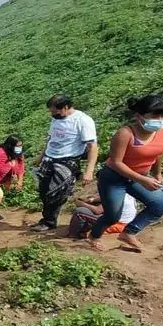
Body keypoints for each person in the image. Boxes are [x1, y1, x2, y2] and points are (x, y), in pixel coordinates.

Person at [89, 96, 163, 252]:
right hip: (114, 178)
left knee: (159, 205)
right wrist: (142, 180)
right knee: (113, 216)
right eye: (154, 116)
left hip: (139, 177)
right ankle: (94, 236)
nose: (159, 120)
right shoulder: (125, 134)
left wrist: (158, 174)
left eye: (162, 116)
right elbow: (116, 162)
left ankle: (129, 233)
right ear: (138, 116)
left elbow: (158, 153)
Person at [30, 94, 99, 233]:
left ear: (66, 107)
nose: (53, 115)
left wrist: (89, 171)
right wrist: (41, 156)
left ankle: (49, 222)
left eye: (55, 111)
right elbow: (50, 138)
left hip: (67, 161)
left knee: (56, 192)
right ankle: (47, 219)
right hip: (49, 158)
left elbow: (93, 147)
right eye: (51, 112)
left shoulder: (82, 121)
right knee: (44, 191)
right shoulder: (56, 119)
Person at [0, 135, 26, 221]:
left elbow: (21, 168)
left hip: (3, 179)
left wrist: (20, 181)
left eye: (21, 146)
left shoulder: (18, 155)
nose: (19, 148)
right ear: (10, 145)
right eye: (17, 146)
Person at [68, 194, 137, 239]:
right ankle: (84, 231)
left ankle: (73, 236)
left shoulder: (113, 195)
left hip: (116, 225)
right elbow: (100, 198)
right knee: (93, 206)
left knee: (80, 211)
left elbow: (98, 210)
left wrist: (82, 204)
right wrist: (92, 199)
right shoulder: (124, 192)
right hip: (127, 224)